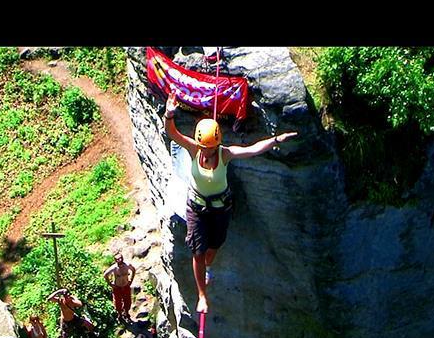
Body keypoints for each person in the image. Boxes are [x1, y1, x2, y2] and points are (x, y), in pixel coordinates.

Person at [164, 90, 298, 314]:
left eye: (210, 147)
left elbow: (252, 150)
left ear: (217, 143)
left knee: (214, 246)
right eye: (204, 146)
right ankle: (202, 295)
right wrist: (169, 115)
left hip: (220, 208)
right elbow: (173, 133)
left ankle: (208, 267)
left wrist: (276, 140)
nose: (207, 151)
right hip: (196, 207)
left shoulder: (224, 154)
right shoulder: (193, 148)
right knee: (197, 250)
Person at [103, 253, 136, 323]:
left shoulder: (127, 265)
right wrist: (110, 284)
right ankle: (120, 315)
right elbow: (105, 275)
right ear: (115, 260)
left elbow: (133, 270)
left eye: (120, 258)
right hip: (117, 287)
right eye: (117, 259)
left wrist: (131, 280)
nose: (119, 260)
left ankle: (126, 313)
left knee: (127, 301)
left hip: (126, 286)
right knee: (118, 303)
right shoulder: (114, 268)